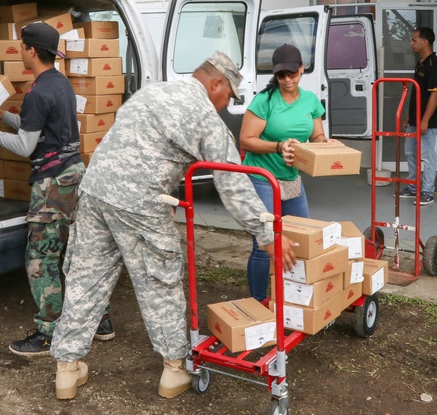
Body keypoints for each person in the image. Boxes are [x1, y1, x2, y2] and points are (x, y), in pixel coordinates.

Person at [49, 52, 297, 401]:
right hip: (141, 202)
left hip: (94, 190)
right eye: (229, 96)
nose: (227, 105)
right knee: (158, 281)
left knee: (85, 279)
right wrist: (266, 234)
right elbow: (233, 181)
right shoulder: (203, 115)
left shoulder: (153, 92)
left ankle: (67, 369)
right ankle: (173, 370)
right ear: (216, 84)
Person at [0, 22, 113, 357]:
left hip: (52, 183)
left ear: (30, 51)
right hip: (74, 172)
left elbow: (26, 146)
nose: (19, 51)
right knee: (78, 251)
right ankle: (99, 319)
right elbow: (45, 128)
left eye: (21, 47)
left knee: (41, 256)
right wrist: (8, 116)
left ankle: (49, 331)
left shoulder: (37, 92)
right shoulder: (60, 84)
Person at [240, 43, 331, 300]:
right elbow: (246, 140)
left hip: (291, 179)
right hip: (262, 178)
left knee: (301, 238)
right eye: (282, 75)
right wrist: (278, 146)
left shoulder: (311, 101)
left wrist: (326, 144)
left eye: (292, 73)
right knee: (263, 245)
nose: (288, 79)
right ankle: (258, 301)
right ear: (275, 74)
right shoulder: (264, 101)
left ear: (302, 69)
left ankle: (295, 299)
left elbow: (317, 136)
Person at [398, 27, 437, 206]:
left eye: (414, 40)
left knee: (426, 155)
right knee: (411, 153)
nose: (411, 43)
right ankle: (413, 187)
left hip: (428, 122)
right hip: (415, 119)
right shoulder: (420, 62)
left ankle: (428, 191)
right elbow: (418, 93)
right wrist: (410, 115)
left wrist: (425, 120)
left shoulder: (434, 64)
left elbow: (435, 94)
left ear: (425, 41)